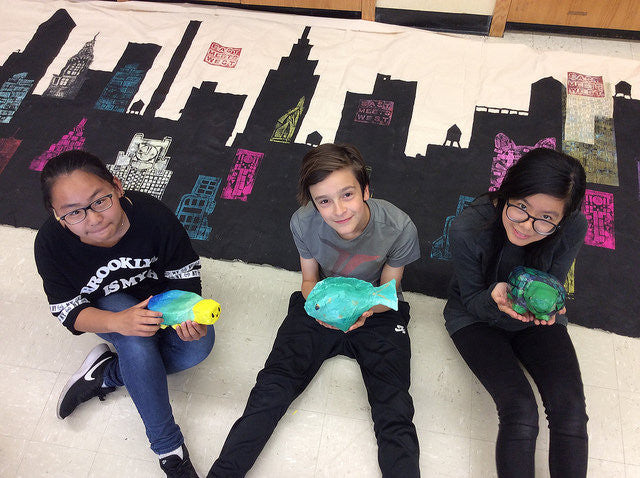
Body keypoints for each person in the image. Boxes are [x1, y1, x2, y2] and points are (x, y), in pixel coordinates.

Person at [208, 143, 421, 477]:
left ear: (365, 190)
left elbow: (390, 290)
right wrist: (319, 308)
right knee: (271, 390)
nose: (338, 210)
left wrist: (361, 311)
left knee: (393, 406)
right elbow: (309, 280)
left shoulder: (399, 226)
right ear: (313, 202)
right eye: (324, 201)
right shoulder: (303, 222)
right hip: (322, 301)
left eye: (347, 194)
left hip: (376, 309)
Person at [34, 150, 215, 478]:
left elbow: (184, 275)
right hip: (105, 307)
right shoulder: (50, 244)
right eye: (73, 213)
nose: (93, 219)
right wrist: (117, 323)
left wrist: (191, 316)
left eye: (99, 200)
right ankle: (168, 448)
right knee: (136, 342)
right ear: (56, 214)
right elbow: (68, 311)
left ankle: (106, 374)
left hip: (159, 299)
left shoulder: (153, 216)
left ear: (117, 187)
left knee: (199, 346)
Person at [444, 148, 589, 478]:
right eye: (521, 207)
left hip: (533, 321)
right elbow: (469, 299)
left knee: (571, 411)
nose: (527, 225)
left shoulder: (574, 227)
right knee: (520, 410)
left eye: (547, 218)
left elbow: (553, 279)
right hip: (475, 317)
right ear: (507, 190)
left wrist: (551, 306)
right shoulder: (469, 226)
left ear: (563, 218)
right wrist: (496, 299)